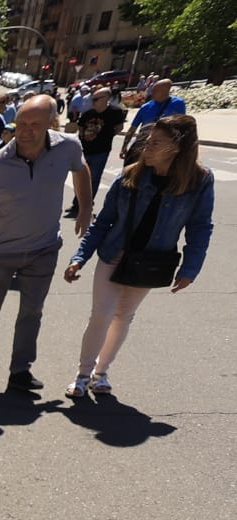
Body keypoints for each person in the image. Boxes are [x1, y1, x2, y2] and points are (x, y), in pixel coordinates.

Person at [61, 115, 213, 397]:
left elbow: (200, 226)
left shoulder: (199, 181)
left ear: (177, 148)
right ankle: (83, 374)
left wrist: (190, 268)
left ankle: (101, 373)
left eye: (156, 142)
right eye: (149, 140)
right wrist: (79, 256)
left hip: (152, 261)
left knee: (123, 317)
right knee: (102, 315)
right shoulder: (131, 174)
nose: (147, 147)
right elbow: (103, 221)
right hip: (114, 253)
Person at [0, 94, 93, 391]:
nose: (26, 130)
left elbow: (81, 169)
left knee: (32, 312)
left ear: (51, 124)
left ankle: (20, 371)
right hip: (2, 251)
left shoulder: (67, 146)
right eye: (22, 124)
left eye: (35, 124)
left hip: (44, 249)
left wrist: (85, 207)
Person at [65, 88, 126, 218]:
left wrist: (106, 137)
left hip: (101, 151)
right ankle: (76, 204)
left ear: (106, 99)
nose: (94, 102)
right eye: (93, 99)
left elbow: (119, 128)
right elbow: (80, 126)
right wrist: (83, 136)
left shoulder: (115, 113)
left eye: (97, 99)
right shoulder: (89, 113)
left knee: (94, 179)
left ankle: (86, 205)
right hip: (85, 150)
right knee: (79, 177)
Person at [120, 78, 187, 163]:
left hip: (165, 148)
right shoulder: (146, 107)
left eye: (155, 90)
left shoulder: (178, 104)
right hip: (144, 144)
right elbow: (133, 128)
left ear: (165, 91)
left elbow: (183, 125)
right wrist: (125, 146)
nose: (151, 93)